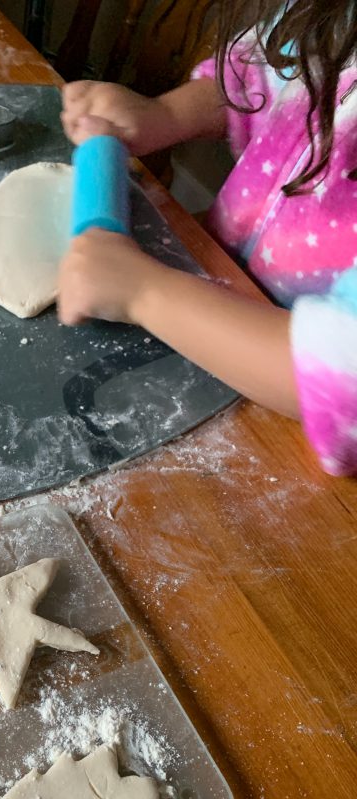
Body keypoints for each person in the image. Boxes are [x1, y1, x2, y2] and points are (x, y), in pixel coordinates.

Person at [58, 0, 357, 476]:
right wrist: (166, 114)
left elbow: (345, 381)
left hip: (279, 401)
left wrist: (144, 292)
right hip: (223, 273)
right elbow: (265, 72)